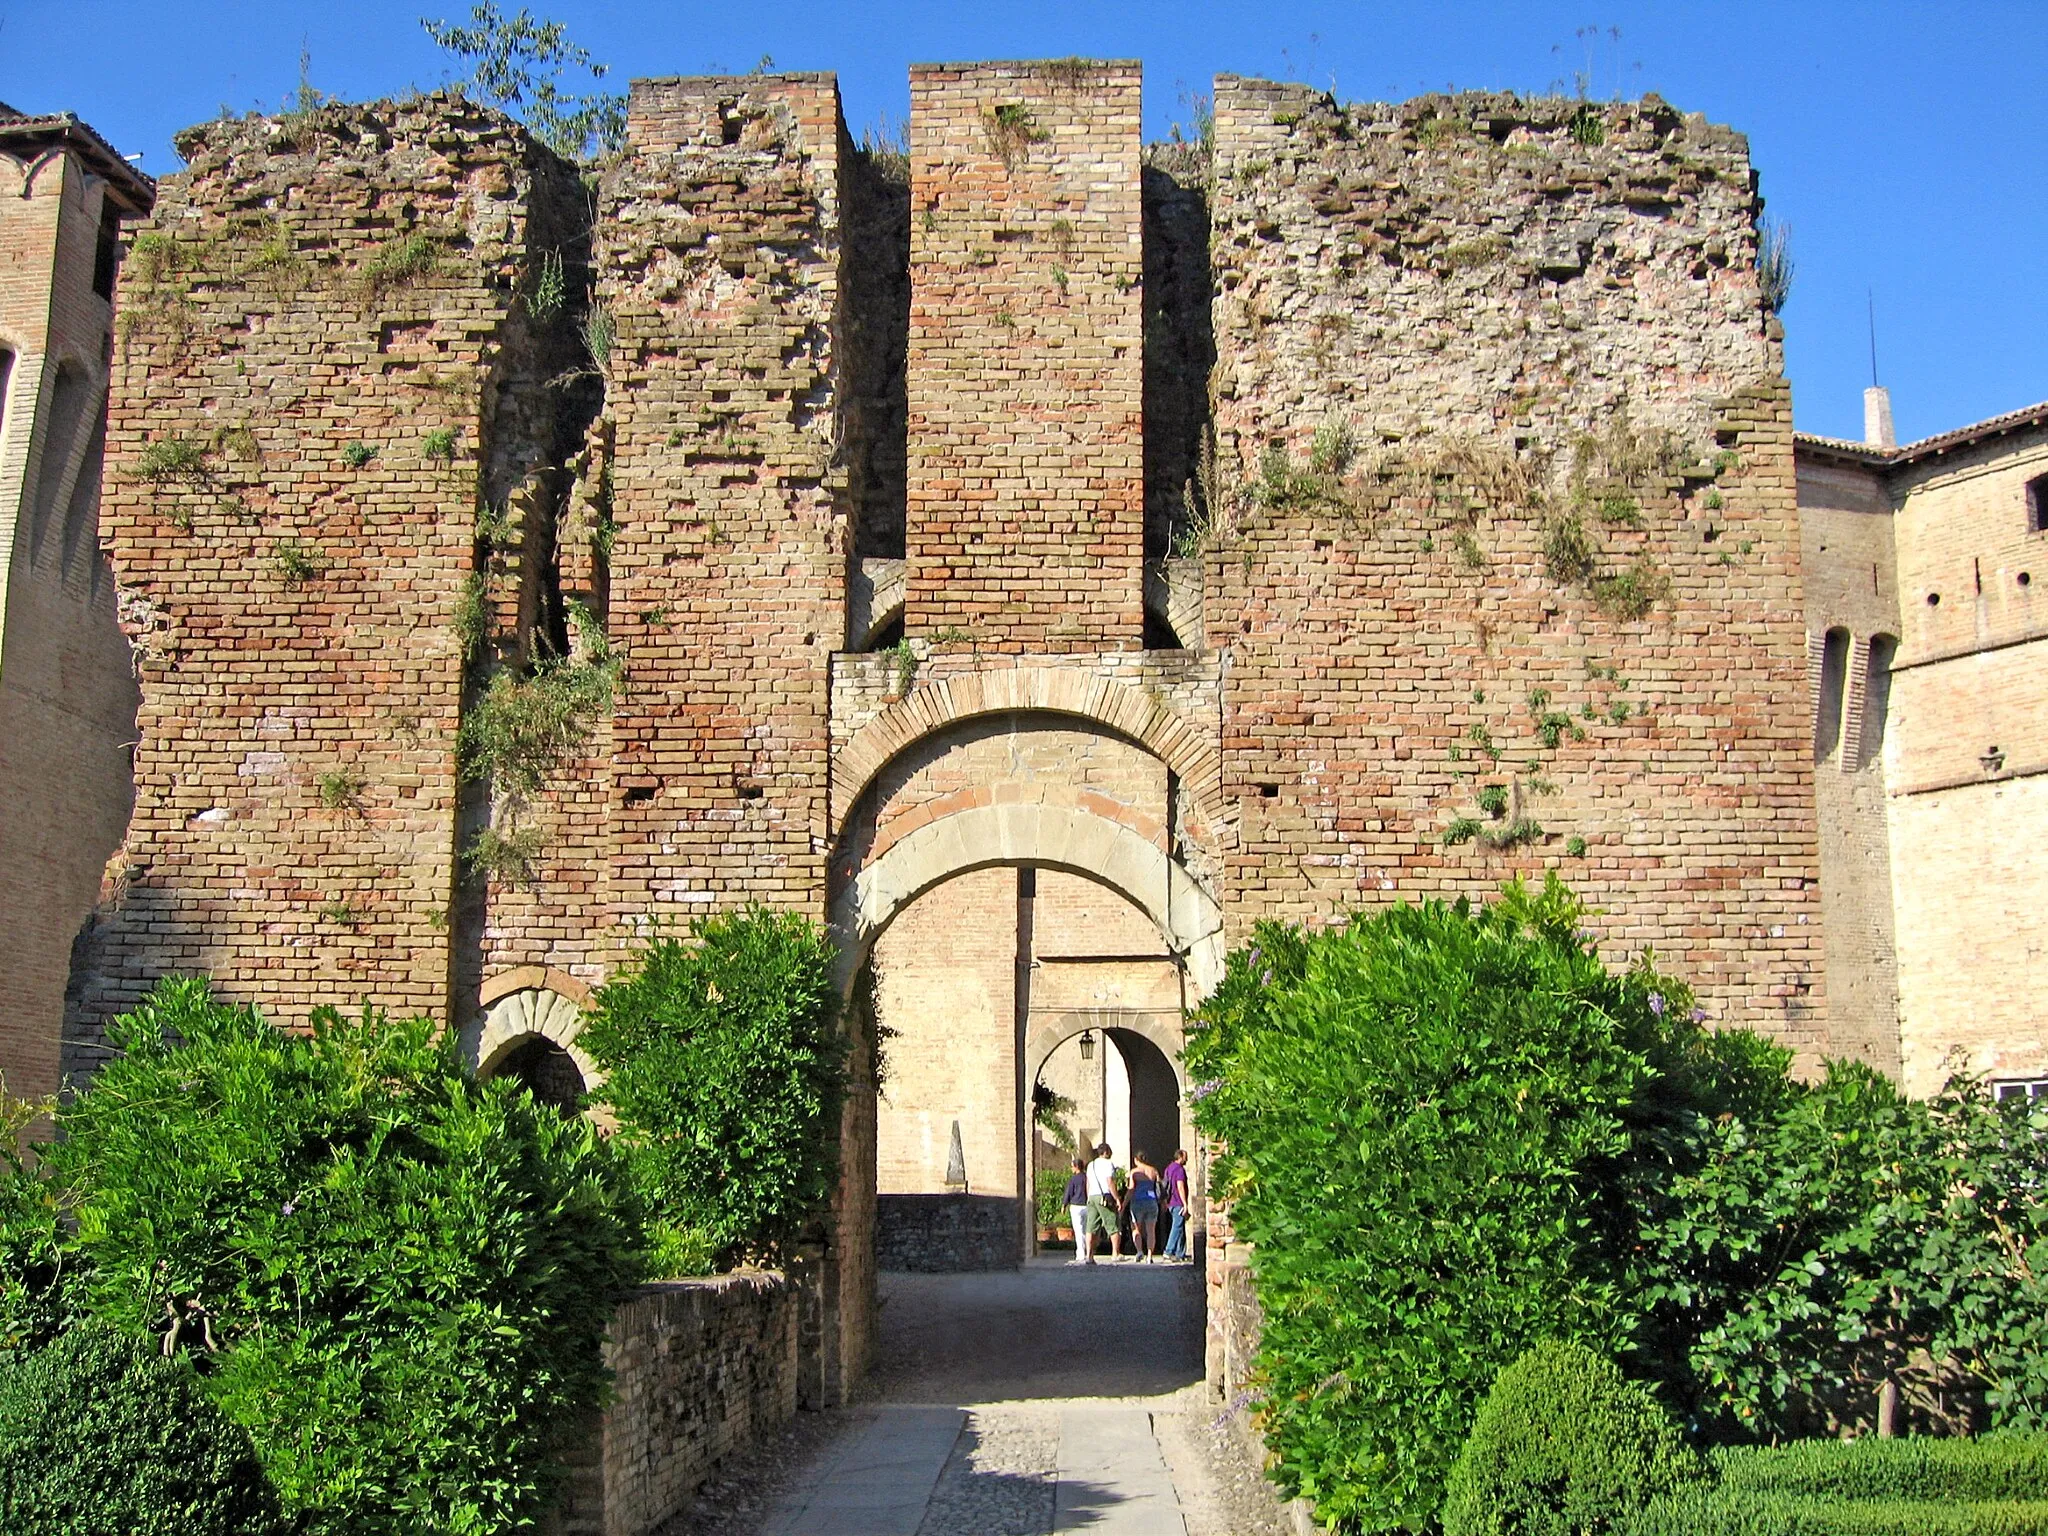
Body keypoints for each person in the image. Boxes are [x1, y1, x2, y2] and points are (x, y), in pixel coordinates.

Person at [1084, 1142, 1120, 1263]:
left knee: (1091, 1228)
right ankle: (1115, 1253)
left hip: (1092, 1197)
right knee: (1112, 1224)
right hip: (1104, 1196)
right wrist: (1117, 1198)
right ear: (1105, 1152)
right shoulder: (1108, 1164)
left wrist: (1088, 1197)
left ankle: (1089, 1255)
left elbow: (1088, 1183)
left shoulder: (1090, 1165)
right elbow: (1110, 1182)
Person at [1126, 1151, 1161, 1262]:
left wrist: (1124, 1204)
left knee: (1136, 1228)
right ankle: (1150, 1255)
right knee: (1151, 1230)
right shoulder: (1153, 1171)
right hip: (1151, 1201)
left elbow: (1131, 1189)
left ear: (1136, 1160)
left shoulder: (1134, 1172)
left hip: (1137, 1201)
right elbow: (1159, 1186)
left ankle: (1139, 1251)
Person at [1161, 1149, 1190, 1261]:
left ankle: (1180, 1253)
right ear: (1180, 1157)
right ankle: (1168, 1251)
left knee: (1180, 1227)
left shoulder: (1169, 1168)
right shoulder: (1179, 1170)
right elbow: (1180, 1186)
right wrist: (1185, 1204)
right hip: (1178, 1202)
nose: (1186, 1159)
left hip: (1171, 1202)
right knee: (1177, 1227)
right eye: (1185, 1157)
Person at [1063, 1156, 1090, 1265]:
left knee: (1078, 1231)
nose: (1071, 1169)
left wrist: (1064, 1205)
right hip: (1087, 1205)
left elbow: (1069, 1192)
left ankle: (1081, 1254)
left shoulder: (1073, 1179)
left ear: (1076, 1167)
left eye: (1072, 1167)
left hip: (1075, 1206)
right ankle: (1089, 1252)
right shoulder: (1087, 1177)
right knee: (1087, 1230)